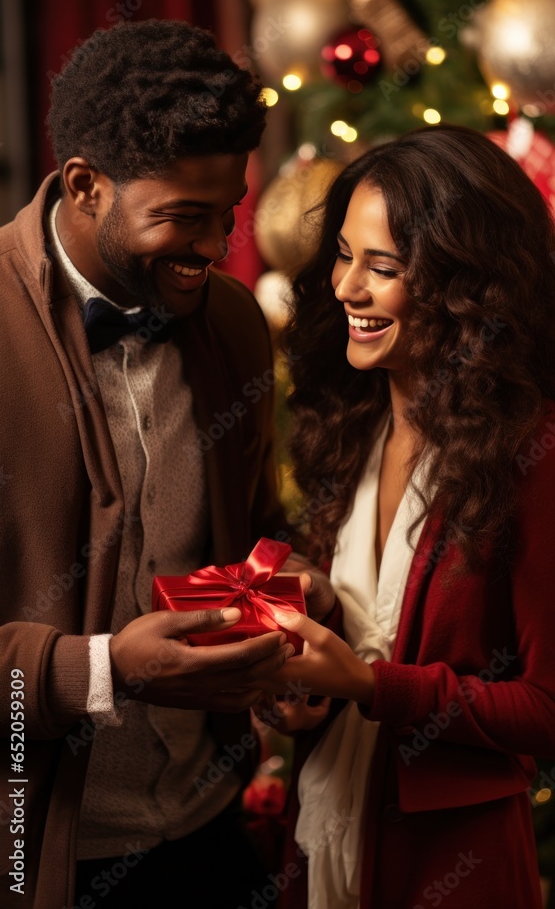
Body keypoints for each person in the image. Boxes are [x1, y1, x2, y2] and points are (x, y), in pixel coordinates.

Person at [0, 18, 318, 909]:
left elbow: (256, 532)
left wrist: (287, 604)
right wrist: (102, 670)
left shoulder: (236, 323)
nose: (216, 250)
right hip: (29, 852)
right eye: (181, 218)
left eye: (228, 214)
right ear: (85, 185)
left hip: (208, 827)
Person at [256, 123, 555, 909]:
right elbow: (361, 638)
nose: (347, 288)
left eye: (382, 268)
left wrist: (367, 682)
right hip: (322, 830)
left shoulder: (532, 455)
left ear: (467, 286)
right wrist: (309, 654)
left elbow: (546, 707)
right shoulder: (350, 426)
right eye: (345, 256)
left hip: (454, 866)